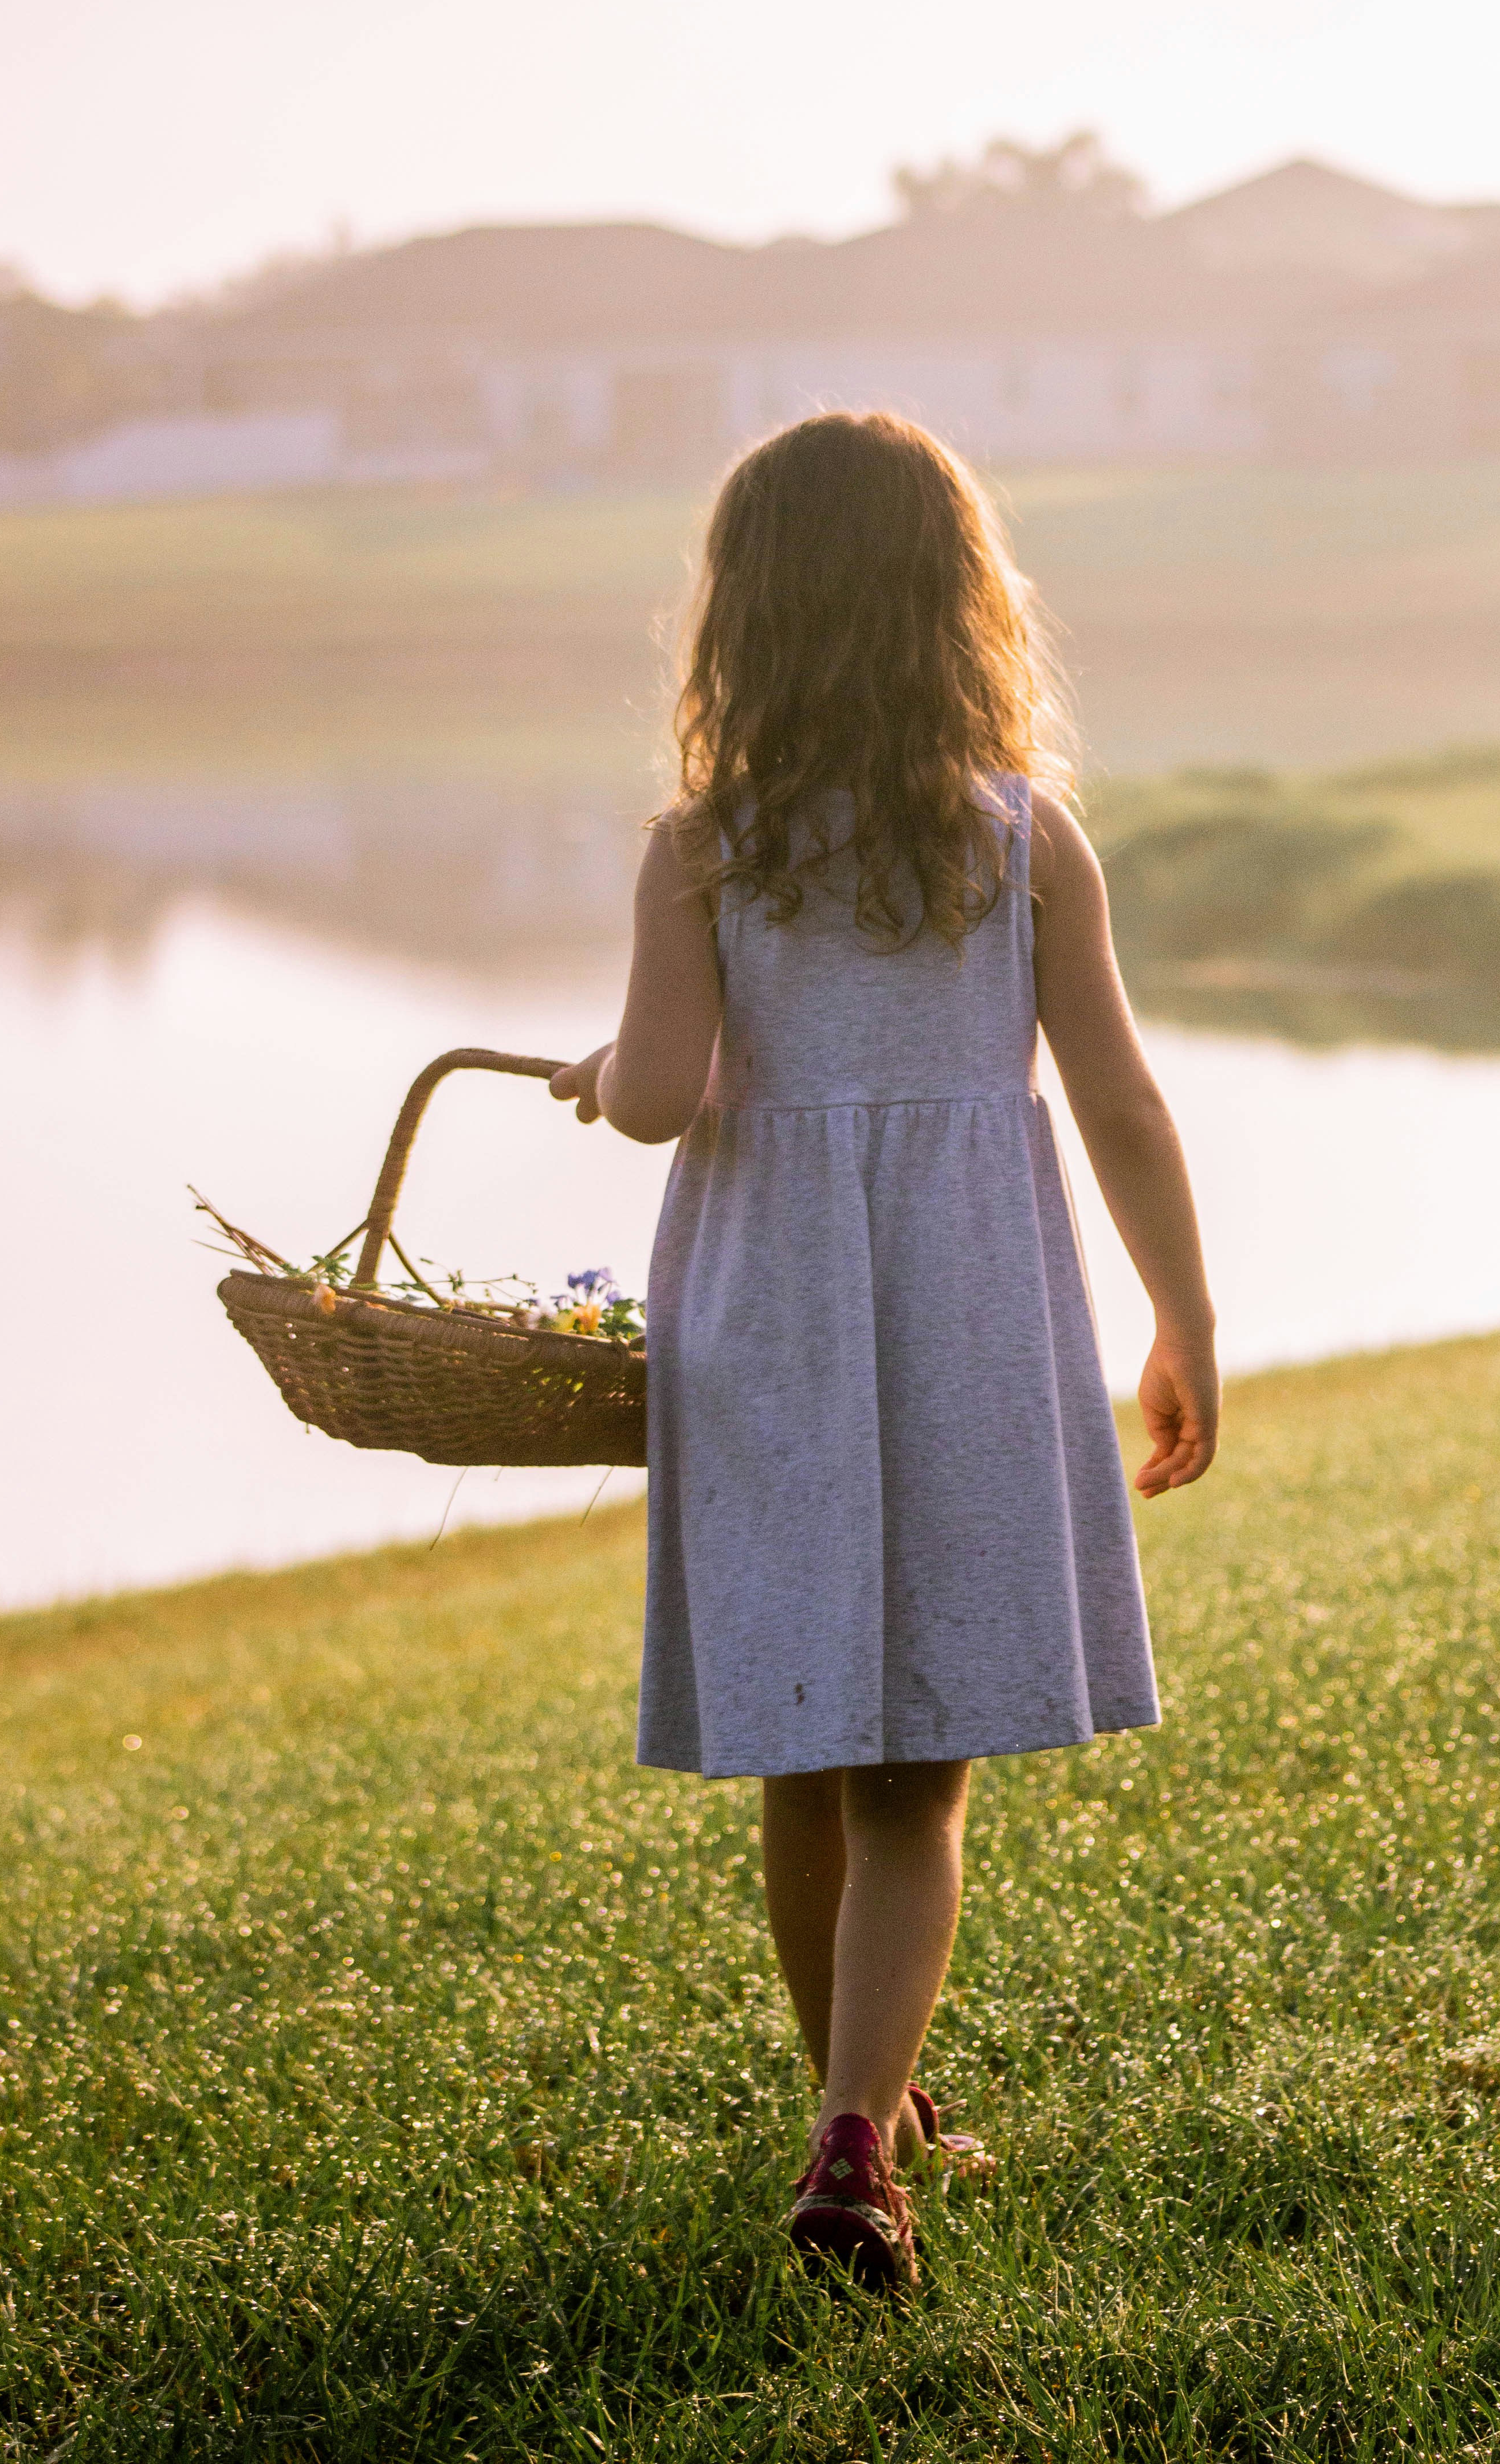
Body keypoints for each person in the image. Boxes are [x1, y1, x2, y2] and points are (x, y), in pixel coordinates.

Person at [550, 411, 1219, 2292]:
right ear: (959, 602)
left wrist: (603, 1075)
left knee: (806, 1737)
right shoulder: (1018, 841)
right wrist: (1186, 1314)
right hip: (973, 1316)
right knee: (919, 1776)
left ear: (743, 619)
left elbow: (664, 1099)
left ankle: (856, 2116)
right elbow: (1125, 1106)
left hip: (769, 1321)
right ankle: (870, 2129)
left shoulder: (704, 848)